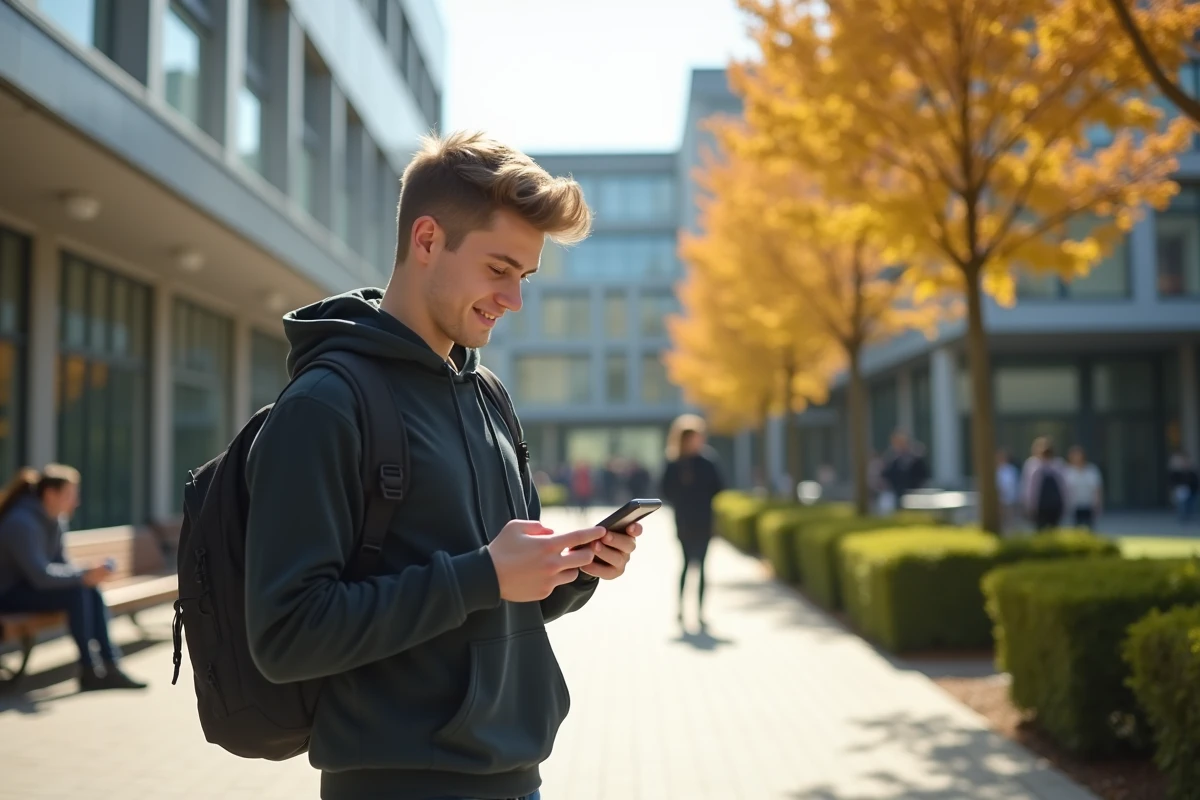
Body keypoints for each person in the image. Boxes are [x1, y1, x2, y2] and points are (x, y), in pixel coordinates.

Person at [243, 130, 643, 800]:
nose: (514, 299)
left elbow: (495, 596)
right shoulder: (325, 405)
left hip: (518, 779)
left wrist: (572, 571)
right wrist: (483, 574)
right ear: (427, 241)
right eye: (498, 269)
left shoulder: (487, 396)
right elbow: (285, 636)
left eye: (525, 276)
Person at [0, 464, 147, 691]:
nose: (76, 501)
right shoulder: (20, 523)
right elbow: (40, 576)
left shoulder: (55, 519)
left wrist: (89, 573)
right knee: (78, 590)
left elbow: (61, 564)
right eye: (70, 495)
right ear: (50, 494)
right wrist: (83, 575)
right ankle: (89, 669)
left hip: (31, 589)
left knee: (89, 588)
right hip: (9, 594)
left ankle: (110, 665)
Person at [660, 414, 725, 629]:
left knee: (704, 566)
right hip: (684, 521)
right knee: (687, 564)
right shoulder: (675, 463)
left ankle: (700, 612)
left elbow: (719, 487)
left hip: (705, 520)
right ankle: (680, 609)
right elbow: (665, 490)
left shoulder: (707, 461)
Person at [1021, 436, 1067, 531]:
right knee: (1040, 528)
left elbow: (1064, 486)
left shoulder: (1058, 464)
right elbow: (1029, 487)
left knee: (1053, 529)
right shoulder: (1032, 464)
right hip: (1040, 504)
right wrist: (1029, 504)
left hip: (1054, 503)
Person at [880, 430, 929, 511]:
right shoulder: (891, 460)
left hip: (914, 494)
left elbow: (923, 476)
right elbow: (885, 476)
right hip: (895, 493)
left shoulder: (916, 459)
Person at [1063, 445, 1103, 530]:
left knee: (1090, 529)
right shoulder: (1067, 471)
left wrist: (1097, 504)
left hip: (1089, 505)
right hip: (1074, 507)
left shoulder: (1091, 470)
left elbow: (1097, 489)